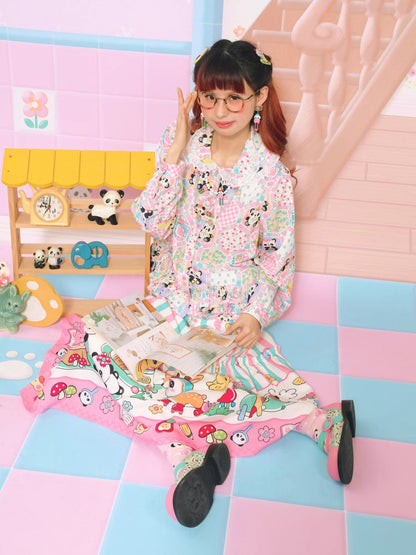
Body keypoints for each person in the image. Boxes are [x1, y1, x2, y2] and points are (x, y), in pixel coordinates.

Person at [132, 39, 355, 527]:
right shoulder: (183, 148)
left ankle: (318, 422)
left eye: (235, 98)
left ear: (260, 97)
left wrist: (255, 314)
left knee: (233, 381)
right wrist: (174, 153)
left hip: (231, 310)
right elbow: (151, 221)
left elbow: (277, 255)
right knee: (139, 372)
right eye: (210, 97)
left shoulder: (271, 174)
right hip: (176, 299)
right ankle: (183, 459)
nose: (220, 111)